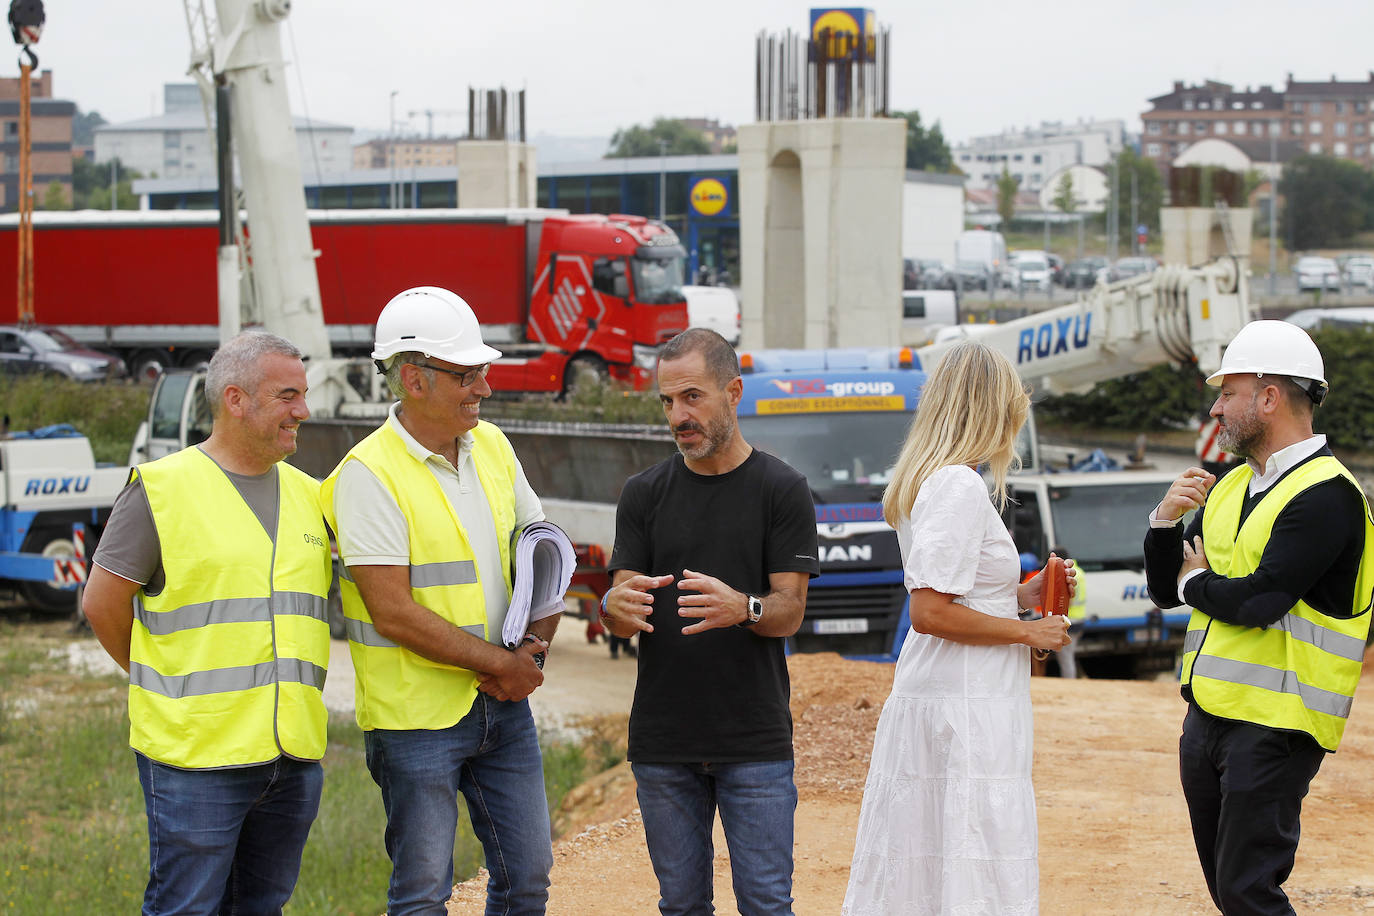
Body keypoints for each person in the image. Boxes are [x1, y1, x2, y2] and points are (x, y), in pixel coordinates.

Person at [321, 286, 557, 916]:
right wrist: (504, 664)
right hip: (415, 722)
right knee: (423, 895)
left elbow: (542, 554)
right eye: (466, 374)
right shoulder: (368, 475)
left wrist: (533, 647)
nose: (483, 387)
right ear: (414, 380)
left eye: (483, 371)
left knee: (528, 877)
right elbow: (391, 610)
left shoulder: (495, 448)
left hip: (501, 706)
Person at [82, 330, 333, 915]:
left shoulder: (311, 496)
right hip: (195, 759)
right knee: (186, 908)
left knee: (260, 906)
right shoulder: (162, 491)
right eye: (288, 395)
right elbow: (101, 605)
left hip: (291, 757)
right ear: (235, 399)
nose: (305, 410)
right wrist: (163, 677)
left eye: (303, 394)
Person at [1143, 320, 1374, 915]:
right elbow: (1170, 592)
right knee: (1231, 890)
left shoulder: (1328, 495)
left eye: (1228, 393)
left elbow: (1257, 601)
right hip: (1210, 714)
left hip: (1279, 723)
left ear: (1268, 397)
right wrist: (1164, 525)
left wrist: (1196, 579)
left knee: (1249, 890)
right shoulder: (1228, 487)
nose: (1216, 408)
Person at [843, 340, 1072, 916]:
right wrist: (1030, 633)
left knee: (937, 861)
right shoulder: (958, 485)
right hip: (964, 704)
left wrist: (1022, 594)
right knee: (972, 860)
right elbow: (930, 612)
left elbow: (958, 593)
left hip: (958, 696)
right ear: (991, 407)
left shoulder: (933, 481)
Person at [600, 327, 819, 915]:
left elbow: (789, 611)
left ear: (734, 391)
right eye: (668, 402)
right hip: (664, 743)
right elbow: (623, 607)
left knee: (767, 904)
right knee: (681, 906)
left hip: (754, 742)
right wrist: (610, 609)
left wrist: (742, 608)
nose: (678, 416)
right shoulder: (643, 494)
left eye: (692, 397)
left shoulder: (783, 490)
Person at [1052, 543, 1087, 679]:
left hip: (1069, 621)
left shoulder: (1068, 576)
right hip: (1080, 619)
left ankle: (1069, 684)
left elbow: (1068, 602)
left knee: (1065, 657)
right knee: (1069, 655)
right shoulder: (1079, 572)